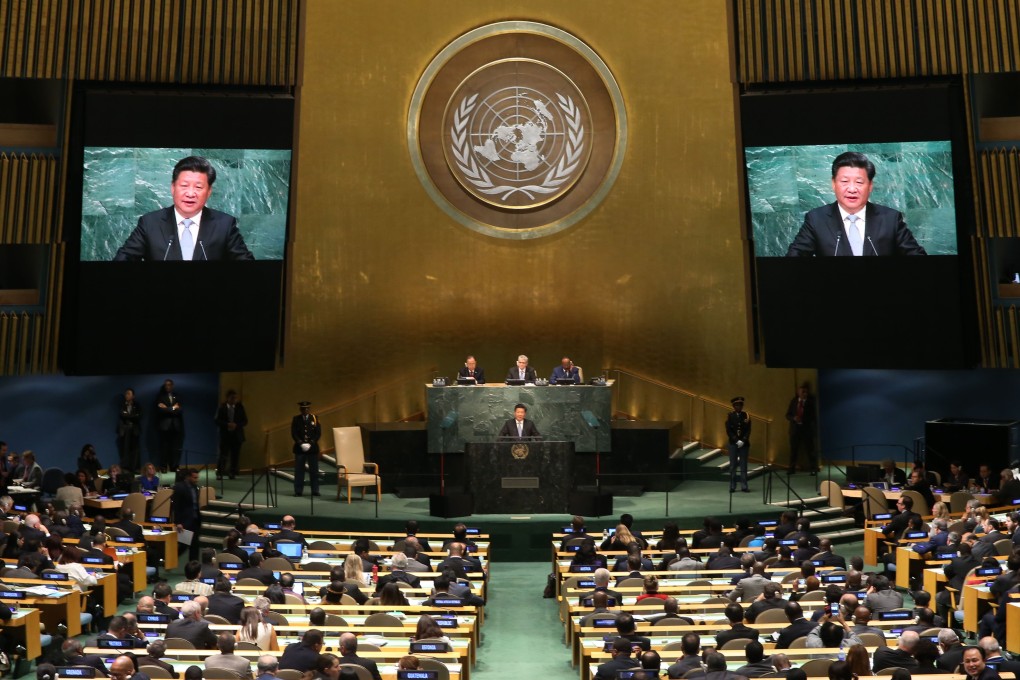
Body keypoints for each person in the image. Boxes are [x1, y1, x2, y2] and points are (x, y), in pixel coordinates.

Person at [785, 151, 927, 257]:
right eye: (844, 181)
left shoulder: (891, 218)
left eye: (859, 182)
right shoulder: (816, 219)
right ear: (833, 184)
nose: (852, 189)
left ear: (870, 186)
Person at [114, 156, 254, 262]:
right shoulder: (150, 222)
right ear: (173, 188)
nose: (191, 193)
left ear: (209, 192)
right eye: (184, 185)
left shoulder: (225, 224)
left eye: (198, 187)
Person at [216, 390, 248, 480]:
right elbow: (217, 420)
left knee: (235, 455)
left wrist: (236, 425)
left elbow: (245, 421)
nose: (234, 400)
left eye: (235, 398)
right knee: (223, 455)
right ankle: (220, 473)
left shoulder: (240, 407)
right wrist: (227, 424)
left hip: (237, 435)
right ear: (227, 398)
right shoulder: (222, 407)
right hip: (225, 435)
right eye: (232, 398)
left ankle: (232, 472)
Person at [785, 383, 817, 475]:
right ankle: (791, 468)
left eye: (806, 392)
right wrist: (794, 418)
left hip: (806, 430)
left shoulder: (810, 403)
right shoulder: (794, 401)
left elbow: (813, 417)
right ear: (799, 392)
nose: (805, 394)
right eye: (803, 392)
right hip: (795, 430)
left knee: (810, 450)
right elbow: (787, 415)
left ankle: (813, 469)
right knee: (793, 450)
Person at [291, 401, 321, 496]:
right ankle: (298, 491)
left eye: (307, 408)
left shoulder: (315, 418)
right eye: (303, 409)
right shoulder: (296, 419)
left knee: (314, 471)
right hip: (300, 449)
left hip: (312, 449)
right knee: (299, 470)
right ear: (300, 409)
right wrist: (300, 443)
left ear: (309, 409)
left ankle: (315, 490)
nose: (305, 410)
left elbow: (318, 433)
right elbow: (294, 433)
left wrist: (311, 443)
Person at [172, 468, 202, 561]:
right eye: (194, 477)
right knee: (184, 545)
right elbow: (176, 506)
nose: (196, 480)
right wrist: (178, 522)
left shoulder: (195, 488)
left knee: (194, 545)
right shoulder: (179, 487)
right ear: (188, 477)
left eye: (197, 478)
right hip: (185, 521)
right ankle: (170, 559)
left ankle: (193, 565)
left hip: (195, 520)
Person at [155, 379, 184, 472]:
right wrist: (173, 408)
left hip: (176, 426)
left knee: (175, 447)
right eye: (166, 385)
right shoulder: (160, 397)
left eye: (169, 385)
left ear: (172, 386)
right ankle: (163, 466)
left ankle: (174, 466)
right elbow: (160, 410)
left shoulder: (177, 396)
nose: (167, 387)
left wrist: (167, 409)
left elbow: (180, 410)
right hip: (165, 426)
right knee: (164, 447)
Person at [726, 396, 750, 493]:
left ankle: (744, 486)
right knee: (733, 465)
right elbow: (729, 430)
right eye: (736, 405)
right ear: (734, 406)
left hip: (744, 444)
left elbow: (748, 430)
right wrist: (736, 440)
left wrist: (743, 440)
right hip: (733, 443)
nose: (739, 407)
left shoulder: (746, 416)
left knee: (743, 465)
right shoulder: (730, 416)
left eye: (740, 405)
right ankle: (732, 485)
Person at [116, 389, 142, 472]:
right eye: (126, 394)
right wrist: (132, 416)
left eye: (128, 394)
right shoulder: (122, 405)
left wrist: (128, 416)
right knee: (125, 449)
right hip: (125, 430)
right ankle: (126, 468)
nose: (126, 395)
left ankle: (135, 468)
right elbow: (122, 415)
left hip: (134, 430)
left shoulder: (137, 405)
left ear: (133, 396)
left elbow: (139, 416)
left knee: (135, 449)